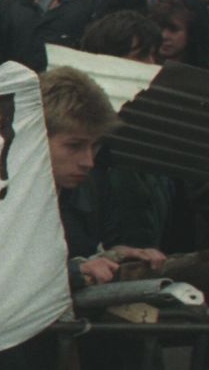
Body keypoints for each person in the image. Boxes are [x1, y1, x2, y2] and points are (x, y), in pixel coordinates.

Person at [41, 67, 166, 288]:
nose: (88, 161)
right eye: (74, 145)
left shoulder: (92, 186)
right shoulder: (0, 195)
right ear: (38, 137)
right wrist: (73, 272)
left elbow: (101, 245)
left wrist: (124, 255)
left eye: (95, 145)